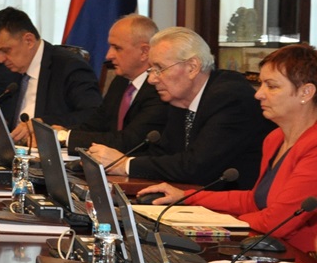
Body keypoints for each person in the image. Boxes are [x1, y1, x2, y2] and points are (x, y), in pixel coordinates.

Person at [138, 44, 317, 252]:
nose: (259, 94)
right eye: (261, 84)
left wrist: (221, 222)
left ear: (306, 92)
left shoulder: (313, 147)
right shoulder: (274, 138)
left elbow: (277, 222)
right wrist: (186, 196)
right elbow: (254, 200)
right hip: (265, 249)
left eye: (272, 86)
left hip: (299, 258)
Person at [88, 27, 271, 187]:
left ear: (192, 67)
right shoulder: (179, 99)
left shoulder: (230, 98)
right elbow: (163, 153)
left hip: (233, 205)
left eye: (159, 68)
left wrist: (125, 164)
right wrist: (115, 161)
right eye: (151, 70)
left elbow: (196, 166)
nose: (151, 79)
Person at [0, 6, 103, 143]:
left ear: (29, 41)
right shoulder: (12, 68)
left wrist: (43, 123)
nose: (0, 59)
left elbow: (93, 116)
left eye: (6, 51)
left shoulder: (69, 67)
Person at [56, 14, 169, 151]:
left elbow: (128, 141)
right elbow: (95, 125)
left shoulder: (159, 88)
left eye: (117, 48)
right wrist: (61, 132)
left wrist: (66, 137)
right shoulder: (121, 81)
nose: (108, 55)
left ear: (144, 52)